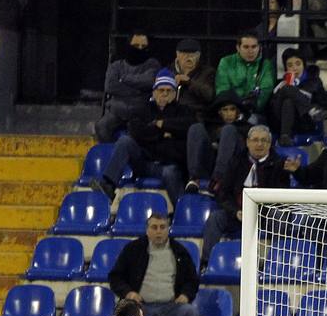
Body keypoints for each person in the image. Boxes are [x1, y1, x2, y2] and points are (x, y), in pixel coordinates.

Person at [94, 71, 191, 202]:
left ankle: (182, 210)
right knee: (125, 140)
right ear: (154, 92)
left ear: (175, 94)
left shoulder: (183, 111)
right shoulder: (143, 109)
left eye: (169, 90)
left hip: (168, 163)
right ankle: (108, 185)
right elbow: (136, 131)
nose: (164, 94)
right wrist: (163, 133)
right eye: (161, 90)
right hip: (144, 162)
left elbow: (187, 127)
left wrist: (161, 124)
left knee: (170, 172)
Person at [203, 125, 290, 265]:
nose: (259, 144)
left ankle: (277, 265)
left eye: (264, 140)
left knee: (280, 218)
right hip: (238, 214)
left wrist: (260, 212)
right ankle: (207, 263)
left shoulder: (279, 164)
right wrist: (235, 212)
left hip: (265, 216)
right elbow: (224, 194)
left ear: (270, 144)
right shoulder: (236, 161)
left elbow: (281, 197)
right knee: (215, 219)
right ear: (248, 142)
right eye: (255, 140)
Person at [108, 213, 201, 316]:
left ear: (168, 229)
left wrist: (185, 295)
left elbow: (192, 280)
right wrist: (128, 292)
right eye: (154, 227)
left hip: (171, 307)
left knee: (190, 312)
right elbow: (115, 277)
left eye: (162, 227)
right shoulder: (133, 249)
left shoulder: (180, 252)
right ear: (147, 230)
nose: (158, 231)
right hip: (141, 307)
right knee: (124, 313)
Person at [94, 32, 160, 142]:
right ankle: (112, 156)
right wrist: (139, 90)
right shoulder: (116, 66)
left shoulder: (152, 64)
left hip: (142, 112)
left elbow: (149, 81)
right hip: (117, 111)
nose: (139, 49)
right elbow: (110, 86)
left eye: (143, 46)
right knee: (101, 126)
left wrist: (124, 79)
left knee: (139, 130)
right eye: (136, 46)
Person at [184, 90, 247, 196]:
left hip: (234, 169)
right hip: (210, 166)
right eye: (225, 110)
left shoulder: (246, 127)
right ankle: (194, 179)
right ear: (219, 112)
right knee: (196, 128)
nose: (229, 114)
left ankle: (218, 180)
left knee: (229, 130)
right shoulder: (211, 128)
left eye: (232, 109)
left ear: (238, 112)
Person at [267, 48, 327, 147]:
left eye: (298, 63)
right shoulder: (279, 84)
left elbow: (326, 109)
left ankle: (285, 136)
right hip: (280, 122)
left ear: (303, 65)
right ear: (286, 68)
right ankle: (311, 109)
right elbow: (271, 110)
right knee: (287, 92)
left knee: (289, 99)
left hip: (304, 123)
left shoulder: (314, 82)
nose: (294, 68)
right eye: (290, 65)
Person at [215, 30, 276, 124]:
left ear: (259, 47)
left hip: (254, 113)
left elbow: (265, 91)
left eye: (254, 47)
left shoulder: (266, 65)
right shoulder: (226, 62)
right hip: (230, 112)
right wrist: (237, 108)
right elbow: (223, 90)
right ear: (238, 48)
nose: (250, 51)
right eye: (246, 47)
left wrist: (248, 108)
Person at [168, 38, 215, 123]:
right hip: (171, 114)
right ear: (177, 55)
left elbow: (209, 94)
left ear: (199, 56)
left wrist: (189, 82)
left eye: (193, 54)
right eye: (184, 53)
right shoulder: (168, 71)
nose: (189, 57)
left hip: (195, 115)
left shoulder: (207, 72)